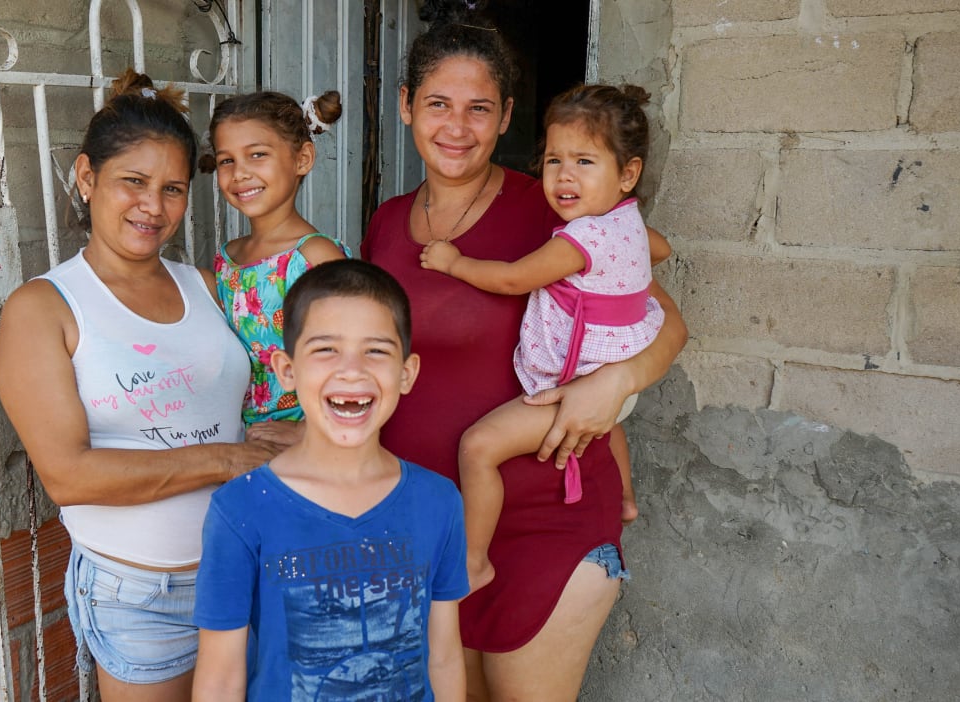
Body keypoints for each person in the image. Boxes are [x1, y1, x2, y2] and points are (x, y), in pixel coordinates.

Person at [361, 4, 687, 699]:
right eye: (438, 104)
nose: (457, 126)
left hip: (545, 514)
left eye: (479, 107)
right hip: (427, 525)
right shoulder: (387, 225)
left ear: (508, 116)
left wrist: (616, 384)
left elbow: (669, 325)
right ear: (405, 106)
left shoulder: (555, 209)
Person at [0, 69, 281, 702]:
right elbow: (69, 475)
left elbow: (254, 402)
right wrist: (229, 458)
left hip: (246, 566)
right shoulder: (45, 309)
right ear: (87, 177)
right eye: (133, 182)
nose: (154, 206)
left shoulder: (204, 287)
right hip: (143, 594)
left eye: (172, 189)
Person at [419, 83, 670, 591]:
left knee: (479, 447)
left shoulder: (581, 238)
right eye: (553, 160)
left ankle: (472, 559)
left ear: (629, 173)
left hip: (575, 383)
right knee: (609, 424)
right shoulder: (627, 222)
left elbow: (513, 279)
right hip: (613, 383)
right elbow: (658, 250)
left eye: (584, 161)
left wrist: (455, 261)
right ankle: (624, 496)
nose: (563, 176)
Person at [191, 259, 468, 701]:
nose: (352, 370)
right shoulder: (240, 509)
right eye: (325, 349)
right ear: (286, 370)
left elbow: (444, 654)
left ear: (407, 372)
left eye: (376, 350)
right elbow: (221, 678)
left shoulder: (439, 501)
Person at [203, 90, 349, 447]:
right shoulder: (227, 259)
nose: (239, 174)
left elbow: (354, 358)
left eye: (257, 155)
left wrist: (309, 431)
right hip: (237, 443)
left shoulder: (316, 257)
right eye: (226, 160)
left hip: (308, 448)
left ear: (302, 159)